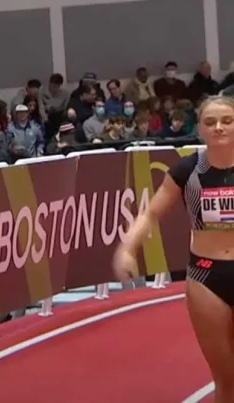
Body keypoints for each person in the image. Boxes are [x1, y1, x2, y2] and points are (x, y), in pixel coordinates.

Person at [113, 95, 234, 402]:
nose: (219, 127)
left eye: (227, 121)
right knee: (227, 380)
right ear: (200, 129)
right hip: (208, 278)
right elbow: (150, 213)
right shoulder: (187, 170)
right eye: (210, 122)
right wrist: (128, 248)